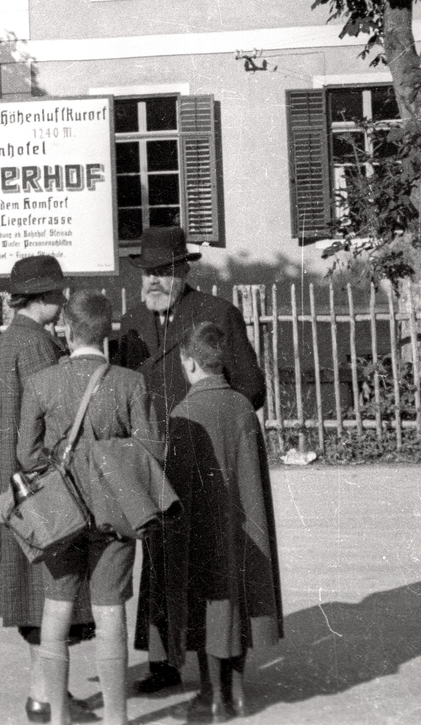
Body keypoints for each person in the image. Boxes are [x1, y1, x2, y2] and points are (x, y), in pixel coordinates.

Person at [126, 225, 266, 694]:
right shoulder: (129, 325)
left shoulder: (217, 314)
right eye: (147, 273)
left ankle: (221, 663)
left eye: (163, 272)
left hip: (206, 462)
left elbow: (251, 387)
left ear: (184, 270)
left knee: (211, 562)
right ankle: (164, 661)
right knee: (158, 560)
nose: (154, 282)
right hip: (154, 463)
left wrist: (210, 417)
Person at [17, 290, 162, 725]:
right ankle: (117, 719)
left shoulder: (42, 383)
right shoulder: (130, 383)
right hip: (115, 513)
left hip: (61, 515)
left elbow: (27, 456)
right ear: (108, 332)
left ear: (66, 328)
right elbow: (152, 448)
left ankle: (58, 716)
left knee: (57, 610)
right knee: (110, 611)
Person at [0, 255, 99, 724]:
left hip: (13, 482)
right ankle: (46, 700)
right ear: (41, 297)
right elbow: (50, 419)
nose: (64, 301)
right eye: (58, 294)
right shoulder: (38, 346)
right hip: (38, 483)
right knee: (49, 597)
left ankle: (46, 694)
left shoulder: (11, 341)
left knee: (36, 599)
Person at [161, 323, 284, 722]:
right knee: (240, 602)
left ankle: (212, 694)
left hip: (202, 528)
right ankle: (238, 690)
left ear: (190, 363)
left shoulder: (184, 412)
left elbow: (177, 484)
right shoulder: (243, 407)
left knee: (206, 607)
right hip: (247, 525)